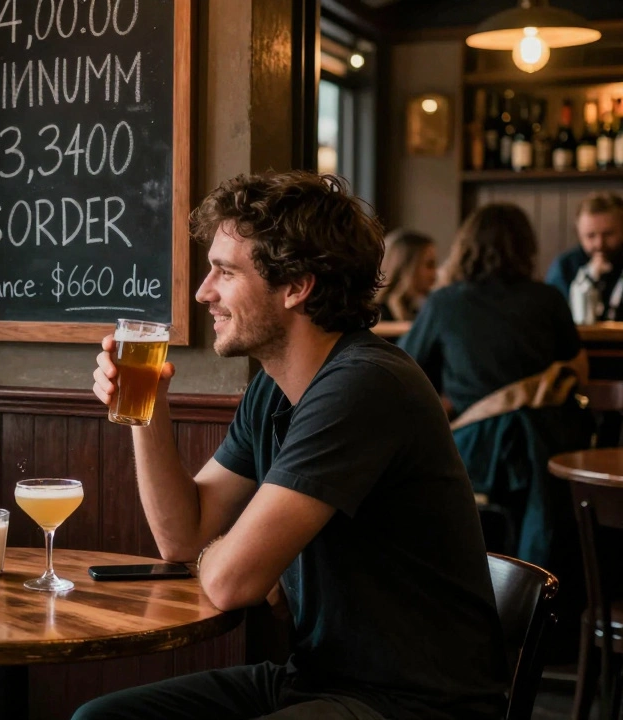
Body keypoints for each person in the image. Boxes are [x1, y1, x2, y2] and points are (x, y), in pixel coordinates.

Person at [78, 171, 507, 720]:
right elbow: (182, 535)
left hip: (415, 702)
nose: (203, 292)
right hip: (314, 679)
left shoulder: (364, 385)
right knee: (100, 718)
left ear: (296, 286)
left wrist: (228, 556)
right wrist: (146, 407)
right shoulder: (273, 388)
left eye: (225, 272)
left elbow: (230, 583)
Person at [399, 204, 591, 653]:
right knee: (540, 488)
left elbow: (406, 368)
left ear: (466, 244)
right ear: (525, 247)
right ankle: (541, 619)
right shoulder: (548, 298)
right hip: (549, 445)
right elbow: (574, 365)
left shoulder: (445, 302)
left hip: (480, 448)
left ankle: (472, 619)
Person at [545, 191, 623, 322]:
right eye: (591, 236)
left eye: (608, 234)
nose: (599, 244)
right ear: (579, 233)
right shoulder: (565, 266)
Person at [375, 229, 436, 322]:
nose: (434, 273)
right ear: (407, 267)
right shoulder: (376, 315)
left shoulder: (422, 309)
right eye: (429, 265)